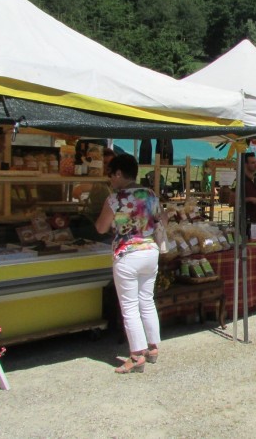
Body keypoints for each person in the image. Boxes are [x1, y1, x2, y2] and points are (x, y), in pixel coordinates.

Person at [95, 154, 161, 374]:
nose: (110, 179)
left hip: (128, 253)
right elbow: (160, 219)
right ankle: (152, 348)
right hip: (150, 250)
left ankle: (136, 355)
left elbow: (101, 228)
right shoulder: (151, 194)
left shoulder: (115, 199)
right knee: (147, 301)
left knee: (130, 306)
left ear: (119, 173)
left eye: (111, 174)